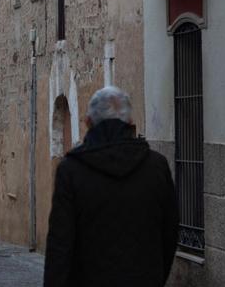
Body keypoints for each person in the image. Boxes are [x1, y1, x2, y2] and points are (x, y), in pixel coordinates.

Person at [44, 86, 178, 287]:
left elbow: (60, 244)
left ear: (88, 122)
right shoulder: (156, 166)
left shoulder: (71, 170)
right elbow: (170, 233)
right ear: (130, 122)